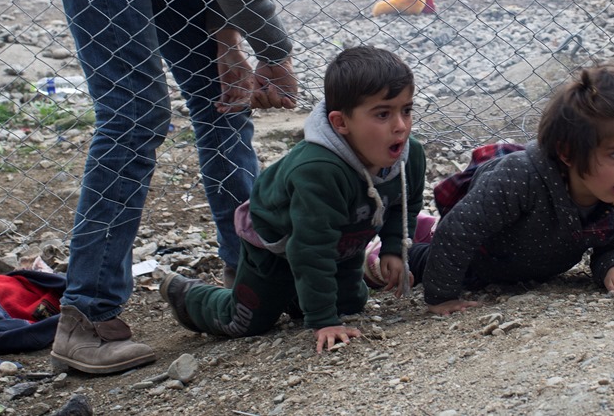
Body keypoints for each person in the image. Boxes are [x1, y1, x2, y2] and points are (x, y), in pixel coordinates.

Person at [46, 0, 450, 374]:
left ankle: (251, 277)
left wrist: (227, 41)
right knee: (135, 114)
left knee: (224, 104)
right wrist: (274, 53)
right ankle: (86, 316)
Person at [159, 46, 425, 353]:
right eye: (382, 114)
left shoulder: (410, 156)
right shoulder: (319, 170)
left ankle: (296, 295)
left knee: (351, 303)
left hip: (341, 240)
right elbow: (309, 249)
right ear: (341, 123)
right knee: (245, 322)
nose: (400, 125)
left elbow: (404, 206)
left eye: (406, 110)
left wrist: (393, 249)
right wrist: (323, 320)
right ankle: (187, 294)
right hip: (276, 245)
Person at [407, 63, 614, 315]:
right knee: (427, 262)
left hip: (537, 266)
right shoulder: (520, 178)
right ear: (567, 153)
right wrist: (442, 297)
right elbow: (459, 231)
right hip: (480, 258)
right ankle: (400, 250)